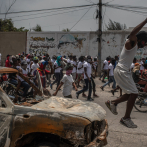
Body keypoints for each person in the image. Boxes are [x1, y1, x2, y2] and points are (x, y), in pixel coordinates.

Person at [105, 19, 147, 128]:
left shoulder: (136, 46)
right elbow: (133, 33)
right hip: (122, 70)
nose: (145, 45)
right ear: (140, 39)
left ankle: (113, 103)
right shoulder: (130, 43)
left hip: (123, 71)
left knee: (130, 94)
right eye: (144, 42)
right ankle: (126, 118)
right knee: (134, 93)